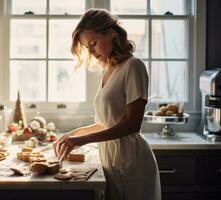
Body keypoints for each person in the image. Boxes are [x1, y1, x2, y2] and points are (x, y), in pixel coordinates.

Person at [53, 8, 161, 200]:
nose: (91, 51)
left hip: (130, 158)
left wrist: (82, 140)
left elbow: (132, 124)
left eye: (93, 43)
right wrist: (73, 134)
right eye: (87, 47)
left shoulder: (133, 66)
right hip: (110, 156)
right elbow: (107, 122)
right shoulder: (111, 68)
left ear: (111, 33)